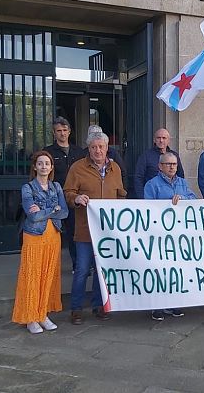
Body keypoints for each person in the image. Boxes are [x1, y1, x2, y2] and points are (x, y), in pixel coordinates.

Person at [64, 131, 127, 324]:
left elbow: (120, 194)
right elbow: (68, 192)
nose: (98, 150)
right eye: (93, 147)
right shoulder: (77, 168)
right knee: (82, 270)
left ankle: (99, 306)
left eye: (101, 147)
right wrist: (76, 198)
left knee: (102, 270)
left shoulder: (115, 168)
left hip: (107, 232)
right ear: (88, 149)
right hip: (85, 229)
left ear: (107, 148)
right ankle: (76, 309)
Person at [12, 150, 69, 334]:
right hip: (34, 236)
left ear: (51, 167)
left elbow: (64, 212)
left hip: (53, 236)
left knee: (48, 276)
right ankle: (31, 317)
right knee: (33, 276)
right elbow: (33, 216)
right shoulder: (28, 188)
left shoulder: (56, 186)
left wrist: (46, 210)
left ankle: (43, 314)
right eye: (40, 163)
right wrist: (53, 209)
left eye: (47, 163)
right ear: (35, 167)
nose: (44, 166)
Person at [143, 152, 197, 320]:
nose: (172, 167)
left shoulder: (182, 182)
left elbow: (194, 199)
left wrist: (183, 199)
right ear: (160, 166)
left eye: (174, 164)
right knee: (159, 270)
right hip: (159, 234)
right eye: (168, 164)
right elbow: (147, 208)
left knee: (175, 269)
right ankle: (157, 306)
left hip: (178, 235)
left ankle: (174, 303)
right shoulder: (152, 185)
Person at [43, 117, 87, 270]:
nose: (62, 133)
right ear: (54, 133)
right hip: (54, 198)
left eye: (64, 130)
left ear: (69, 131)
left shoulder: (79, 152)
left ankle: (77, 265)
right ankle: (50, 267)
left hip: (73, 197)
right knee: (52, 232)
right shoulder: (48, 152)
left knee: (75, 232)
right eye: (59, 131)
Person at [134, 128, 185, 199]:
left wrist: (179, 196)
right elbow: (138, 178)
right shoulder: (146, 156)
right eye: (158, 138)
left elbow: (180, 175)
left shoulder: (174, 155)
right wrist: (142, 199)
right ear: (154, 140)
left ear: (168, 140)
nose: (161, 140)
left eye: (164, 138)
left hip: (172, 198)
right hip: (152, 196)